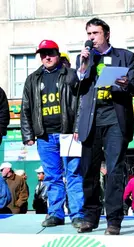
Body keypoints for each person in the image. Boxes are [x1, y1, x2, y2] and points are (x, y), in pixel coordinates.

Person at [75, 18, 134, 235]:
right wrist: (84, 64)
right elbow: (77, 86)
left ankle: (114, 219)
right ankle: (90, 217)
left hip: (115, 119)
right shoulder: (85, 58)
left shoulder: (125, 56)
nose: (91, 38)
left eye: (95, 33)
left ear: (106, 34)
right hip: (91, 121)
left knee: (114, 171)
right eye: (88, 34)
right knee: (89, 171)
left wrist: (125, 84)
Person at [20, 39, 84, 227]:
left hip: (69, 134)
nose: (47, 57)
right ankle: (55, 214)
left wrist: (78, 128)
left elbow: (82, 103)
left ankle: (77, 214)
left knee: (73, 174)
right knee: (52, 176)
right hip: (45, 137)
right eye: (43, 54)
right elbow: (26, 107)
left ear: (57, 54)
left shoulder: (71, 75)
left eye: (50, 53)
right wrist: (28, 134)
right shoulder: (32, 79)